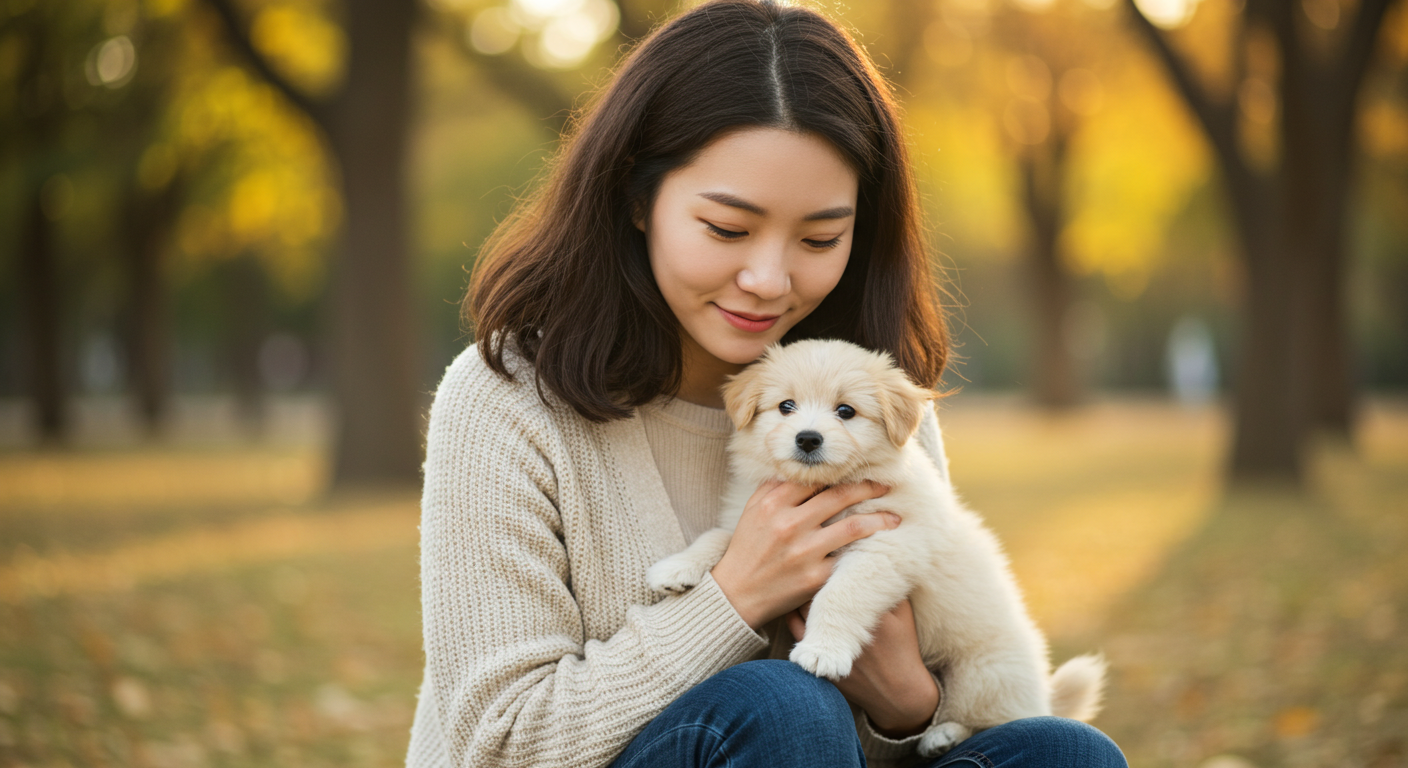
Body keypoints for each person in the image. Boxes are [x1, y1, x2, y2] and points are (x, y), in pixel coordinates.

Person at [406, 1, 1128, 766]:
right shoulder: (506, 401)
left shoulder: (866, 402)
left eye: (820, 237)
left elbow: (891, 682)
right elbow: (503, 742)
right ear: (637, 200)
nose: (768, 279)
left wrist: (909, 704)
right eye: (727, 229)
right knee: (783, 707)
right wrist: (735, 597)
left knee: (1067, 754)